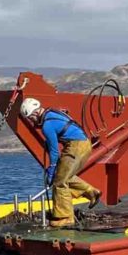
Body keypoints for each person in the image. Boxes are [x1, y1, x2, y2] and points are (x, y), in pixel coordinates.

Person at [20, 97, 101, 228]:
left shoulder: (47, 125)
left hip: (76, 146)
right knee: (64, 176)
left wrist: (51, 168)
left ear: (35, 113)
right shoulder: (52, 112)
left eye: (30, 118)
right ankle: (92, 192)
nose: (32, 122)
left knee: (59, 182)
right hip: (84, 144)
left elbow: (54, 151)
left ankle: (65, 217)